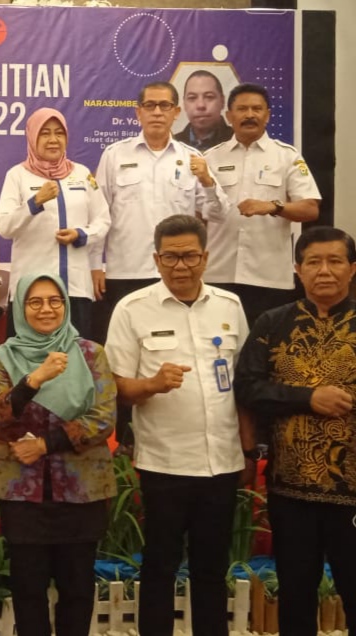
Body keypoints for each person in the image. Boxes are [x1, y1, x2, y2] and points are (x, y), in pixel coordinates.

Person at [104, 214, 251, 636]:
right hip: (164, 462)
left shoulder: (230, 306)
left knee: (211, 566)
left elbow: (242, 383)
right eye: (170, 257)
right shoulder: (132, 309)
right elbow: (113, 386)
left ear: (205, 257)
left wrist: (246, 447)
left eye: (189, 255)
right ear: (156, 258)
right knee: (160, 565)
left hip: (220, 462)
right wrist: (150, 384)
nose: (180, 266)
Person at [235, 226, 356, 636]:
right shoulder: (273, 323)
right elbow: (248, 387)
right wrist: (307, 398)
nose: (325, 271)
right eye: (314, 262)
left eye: (335, 261)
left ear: (352, 269)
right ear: (297, 270)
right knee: (296, 596)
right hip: (291, 490)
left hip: (353, 490)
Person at [0, 272, 116, 636]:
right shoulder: (3, 358)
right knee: (28, 590)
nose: (46, 309)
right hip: (22, 493)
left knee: (77, 590)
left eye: (54, 301)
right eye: (35, 302)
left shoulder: (90, 354)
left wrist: (46, 444)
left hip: (81, 488)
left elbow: (103, 418)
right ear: (20, 309)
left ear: (66, 305)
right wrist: (33, 379)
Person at [92, 81, 228, 345]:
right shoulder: (114, 155)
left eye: (164, 105)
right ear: (138, 112)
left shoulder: (192, 159)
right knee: (125, 346)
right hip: (125, 271)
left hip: (176, 272)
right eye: (150, 105)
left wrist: (208, 182)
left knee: (174, 345)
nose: (157, 112)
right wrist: (95, 265)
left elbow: (220, 214)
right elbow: (99, 215)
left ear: (176, 113)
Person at [203, 83, 321, 325]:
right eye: (242, 109)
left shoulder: (287, 156)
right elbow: (196, 213)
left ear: (267, 115)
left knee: (267, 353)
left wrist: (275, 207)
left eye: (257, 109)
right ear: (228, 116)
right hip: (218, 272)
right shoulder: (210, 158)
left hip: (268, 276)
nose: (249, 115)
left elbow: (310, 209)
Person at [0, 108, 110, 339]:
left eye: (59, 133)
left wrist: (81, 234)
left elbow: (103, 218)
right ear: (32, 137)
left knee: (76, 359)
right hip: (32, 292)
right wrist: (34, 202)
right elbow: (4, 226)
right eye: (45, 133)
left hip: (76, 288)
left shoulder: (82, 174)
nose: (53, 139)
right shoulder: (17, 175)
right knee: (30, 362)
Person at [174, 70, 233, 152]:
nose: (201, 105)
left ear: (222, 101)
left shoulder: (238, 141)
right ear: (184, 104)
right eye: (192, 98)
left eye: (209, 97)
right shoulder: (173, 145)